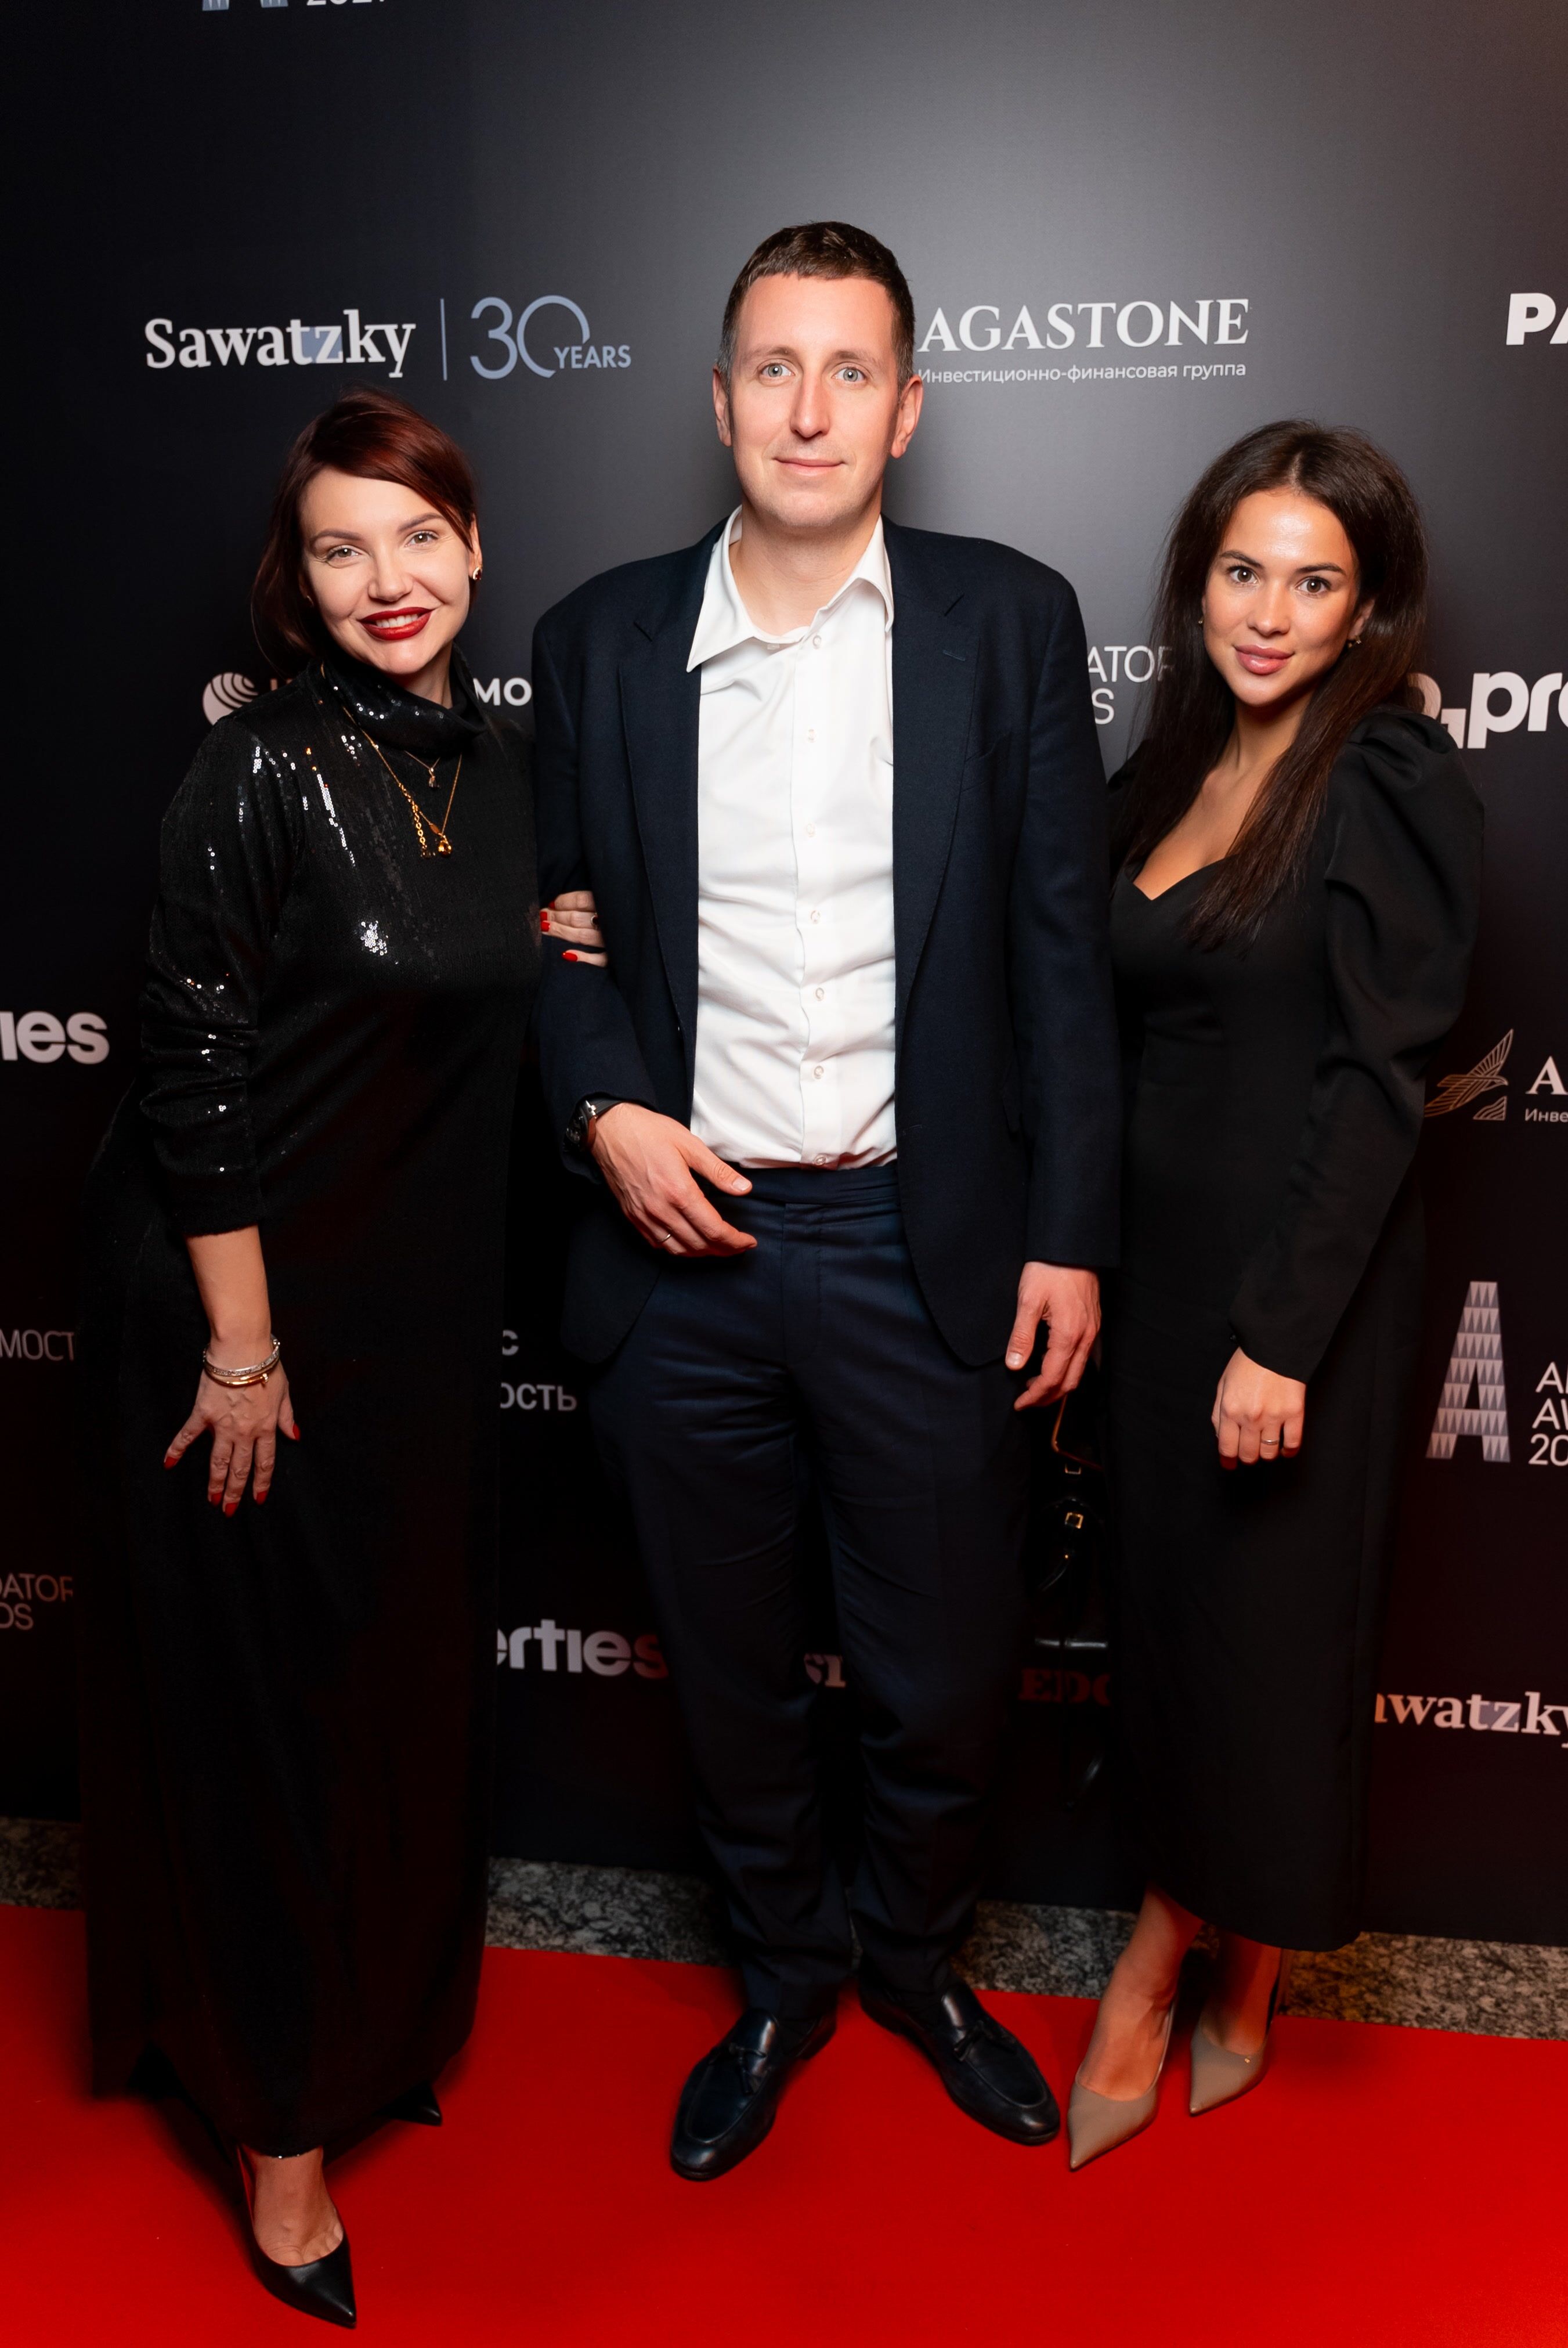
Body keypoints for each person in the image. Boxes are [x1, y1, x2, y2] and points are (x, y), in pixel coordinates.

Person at [532, 222, 1121, 2179]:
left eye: (849, 370)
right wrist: (606, 1109)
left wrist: (1070, 1231)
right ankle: (784, 1976)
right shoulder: (598, 639)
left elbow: (1060, 958)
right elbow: (552, 940)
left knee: (941, 1675)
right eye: (774, 369)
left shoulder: (1008, 621)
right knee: (725, 1677)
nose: (809, 410)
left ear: (907, 408)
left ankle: (918, 1967)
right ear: (720, 402)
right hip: (676, 1250)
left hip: (917, 1244)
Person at [76, 389, 599, 2323]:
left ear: (474, 548)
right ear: (296, 586)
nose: (388, 579)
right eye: (339, 547)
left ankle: (375, 2034)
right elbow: (190, 1065)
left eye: (418, 536)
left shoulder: (510, 769)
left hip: (416, 1319)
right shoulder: (254, 772)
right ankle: (276, 2122)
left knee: (390, 1693)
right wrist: (240, 1348)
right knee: (268, 1721)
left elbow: (489, 985)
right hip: (246, 1313)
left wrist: (563, 936)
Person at [1070, 422, 1482, 2167]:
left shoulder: (1384, 776)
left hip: (1297, 1300)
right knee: (1179, 1639)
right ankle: (1241, 1954)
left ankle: (1171, 1967)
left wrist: (1281, 1338)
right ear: (1200, 579)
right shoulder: (1166, 768)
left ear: (1366, 609)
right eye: (1245, 571)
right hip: (1157, 1293)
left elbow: (1380, 1084)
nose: (1269, 611)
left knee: (1267, 1646)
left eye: (1315, 583)